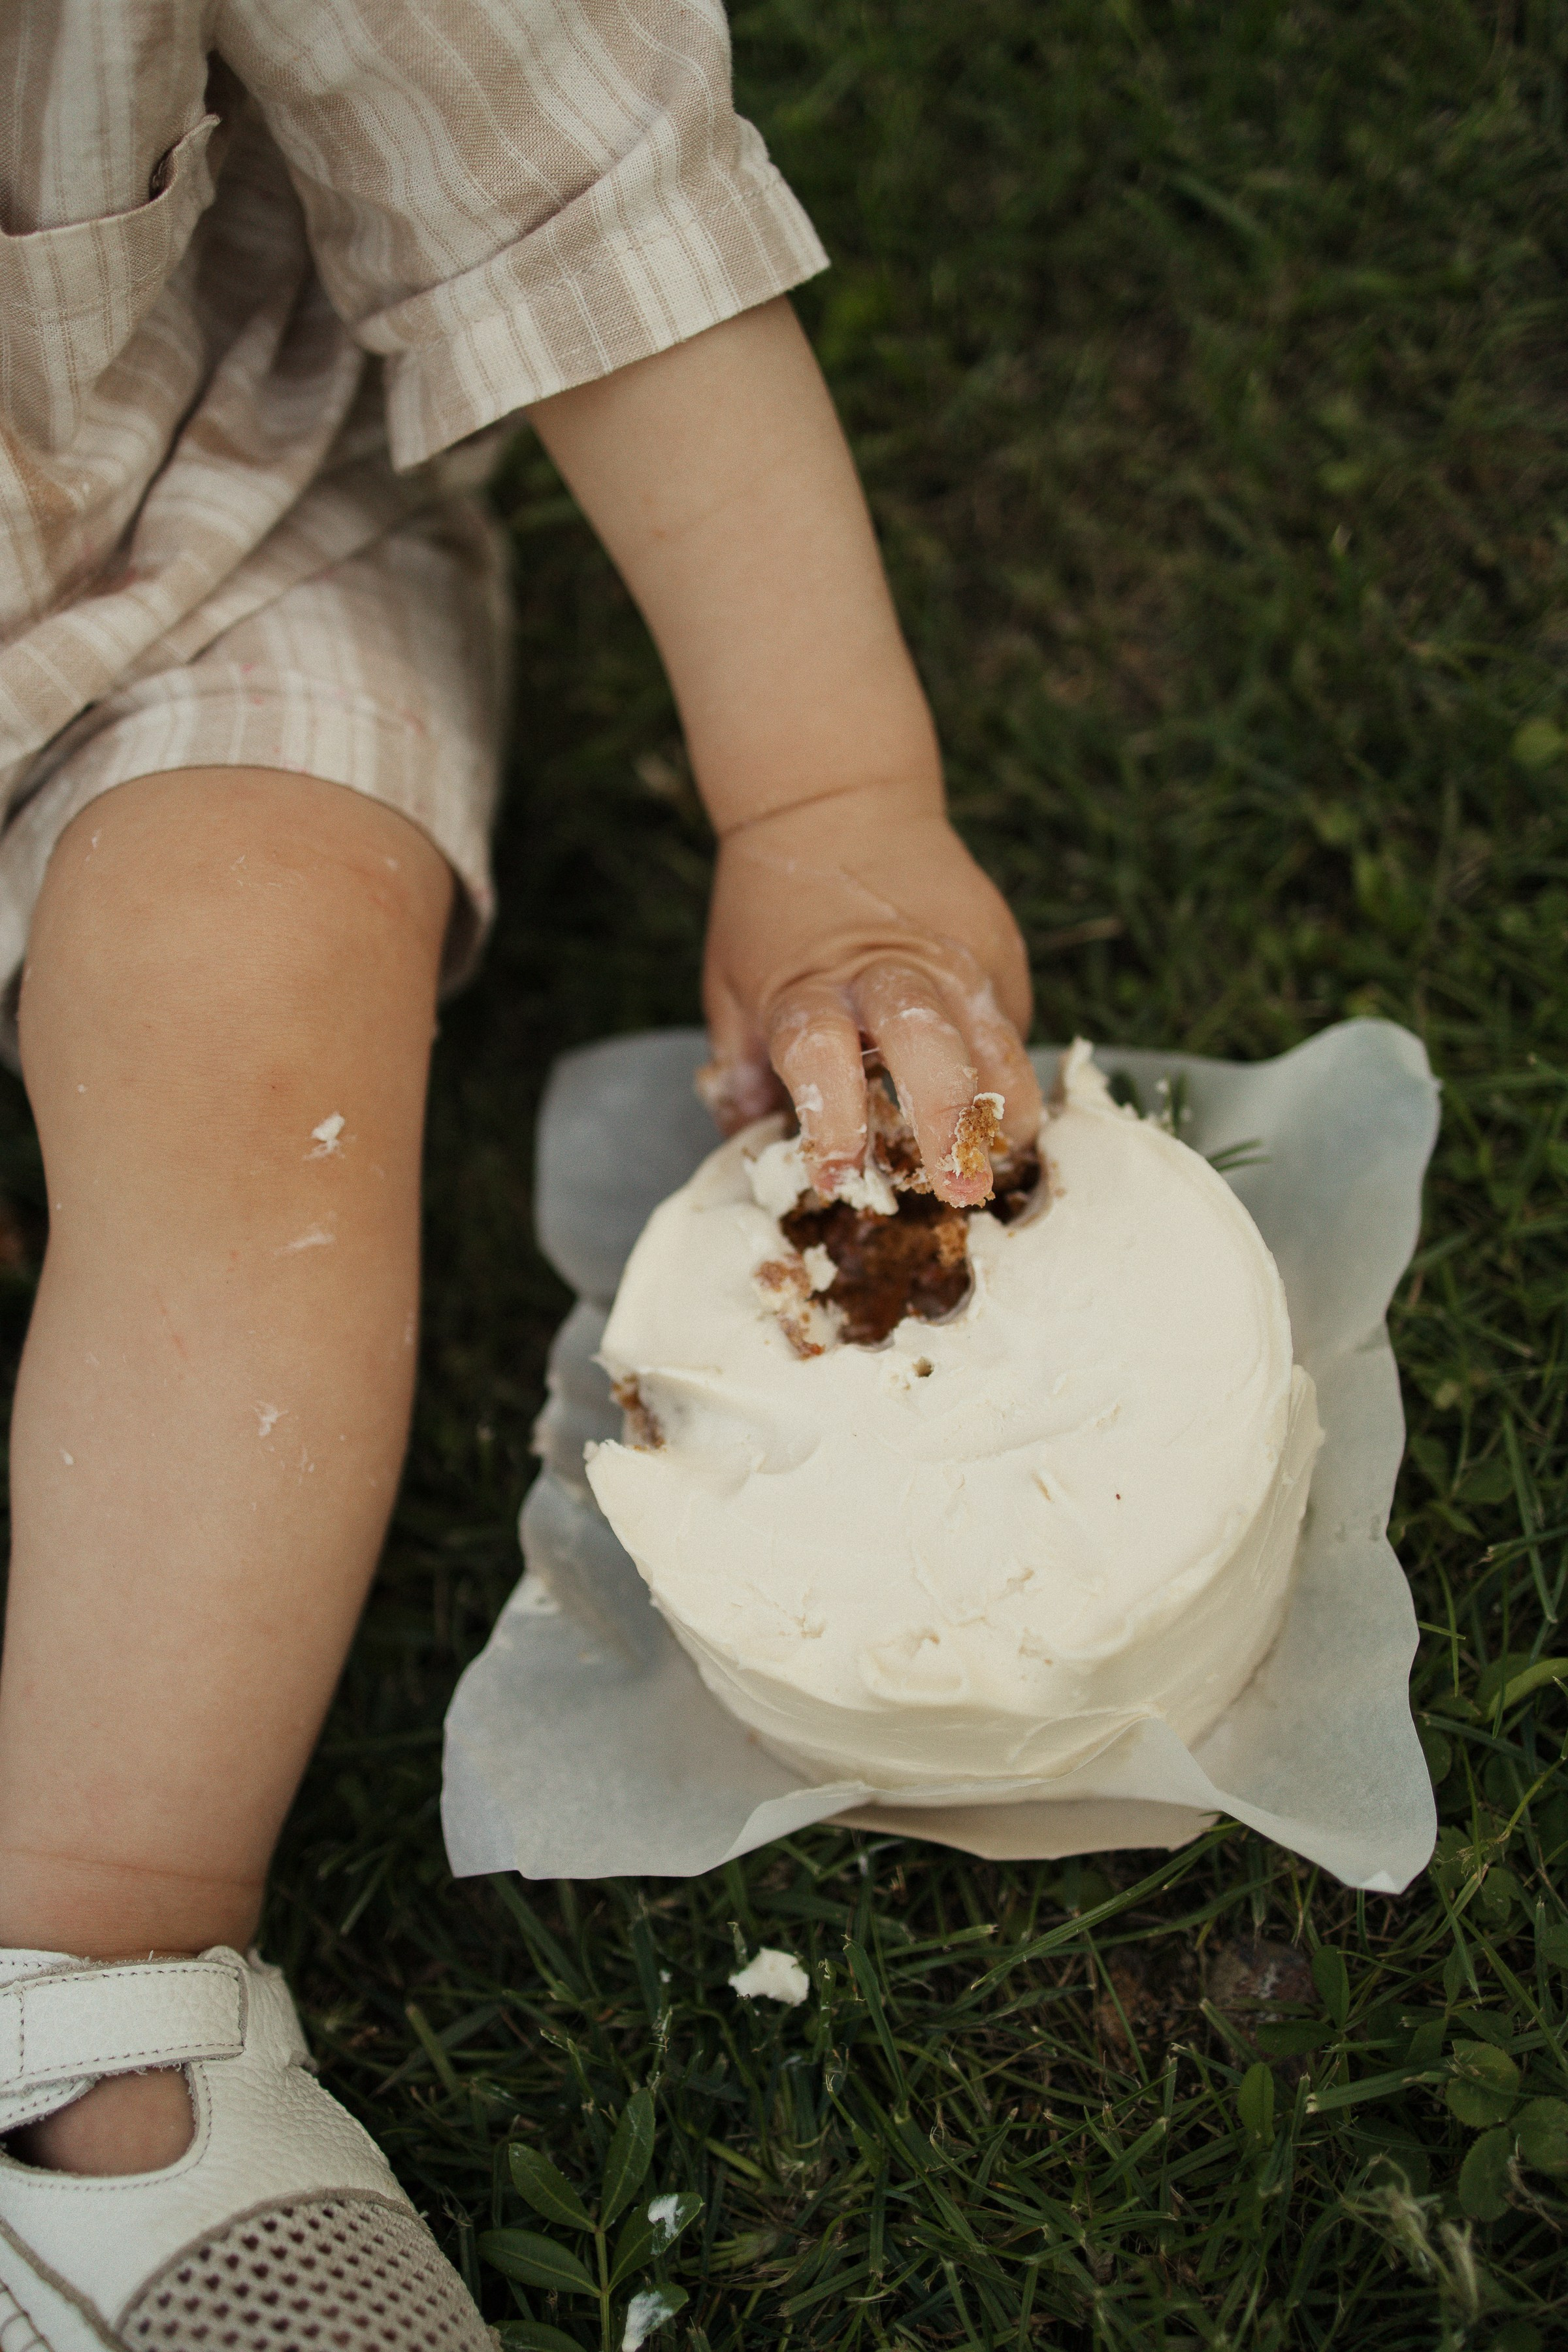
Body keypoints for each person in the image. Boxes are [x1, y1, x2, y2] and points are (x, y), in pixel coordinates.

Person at [0, 2, 1039, 2339]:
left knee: (258, 1019)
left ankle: (91, 2013)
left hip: (189, 546)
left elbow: (575, 175)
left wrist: (829, 805)